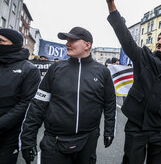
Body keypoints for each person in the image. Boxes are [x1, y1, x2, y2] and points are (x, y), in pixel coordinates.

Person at [105, 0, 161, 164]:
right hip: (137, 126)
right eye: (159, 39)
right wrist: (111, 4)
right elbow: (124, 37)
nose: (159, 41)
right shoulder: (143, 57)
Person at [19, 27, 116, 164]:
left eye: (72, 40)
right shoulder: (55, 69)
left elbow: (110, 104)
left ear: (87, 45)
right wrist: (28, 139)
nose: (67, 44)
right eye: (67, 40)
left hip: (87, 140)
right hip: (55, 141)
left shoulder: (102, 72)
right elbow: (38, 105)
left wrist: (109, 131)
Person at [0, 28, 40, 164]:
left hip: (9, 135)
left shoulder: (29, 69)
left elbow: (26, 103)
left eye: (1, 41)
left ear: (14, 44)